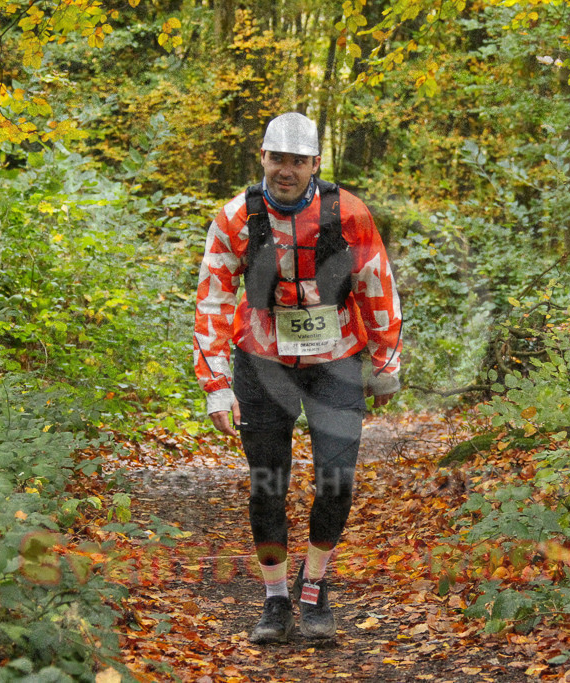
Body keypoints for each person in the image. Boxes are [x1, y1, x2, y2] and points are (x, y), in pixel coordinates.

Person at [193, 112, 403, 643]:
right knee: (269, 484)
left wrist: (385, 366)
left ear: (315, 164)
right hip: (261, 360)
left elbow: (376, 285)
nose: (286, 170)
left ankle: (314, 586)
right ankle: (275, 598)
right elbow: (214, 299)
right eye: (277, 159)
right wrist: (216, 383)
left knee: (337, 480)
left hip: (336, 360)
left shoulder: (348, 214)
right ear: (262, 158)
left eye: (298, 161)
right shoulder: (237, 218)